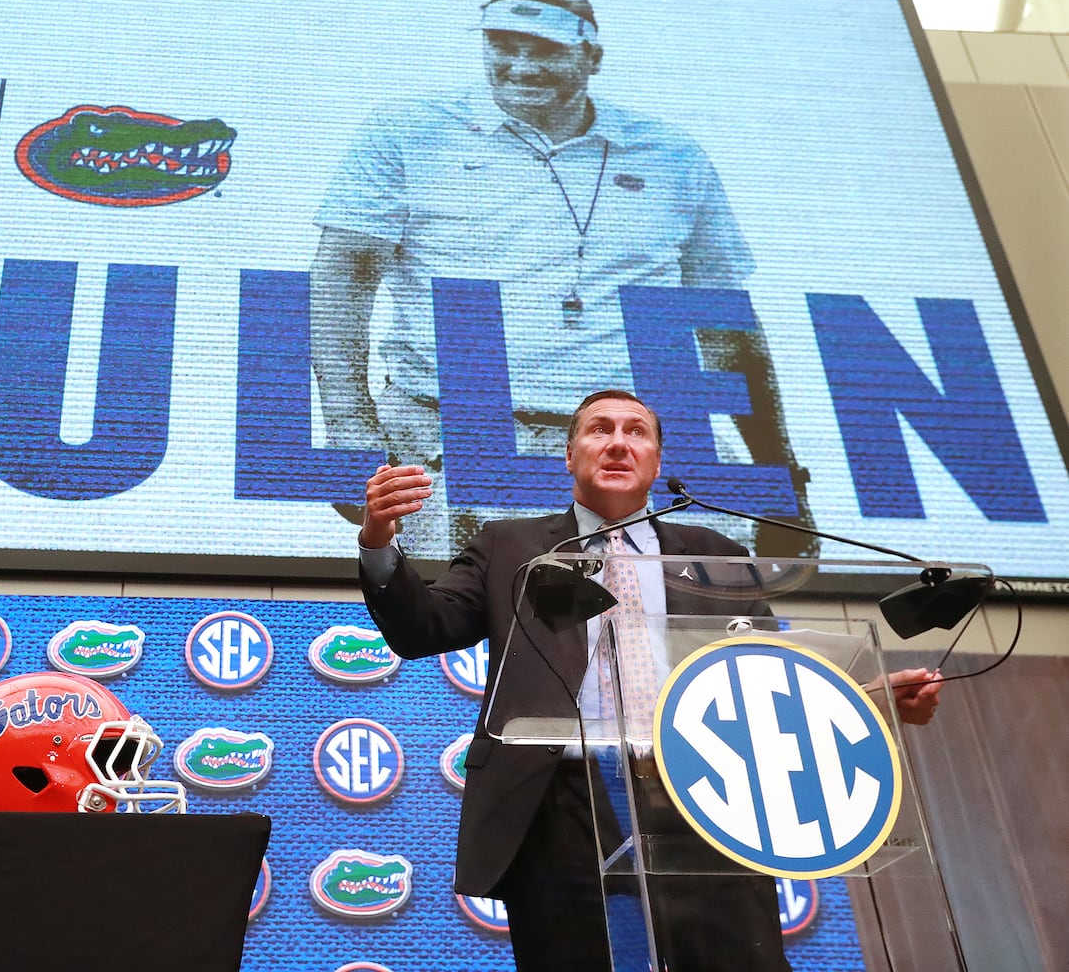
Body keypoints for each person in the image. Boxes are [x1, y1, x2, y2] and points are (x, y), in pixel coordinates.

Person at [357, 389, 943, 971]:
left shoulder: (717, 558)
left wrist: (868, 705)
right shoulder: (509, 547)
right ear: (569, 456)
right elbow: (423, 628)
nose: (617, 442)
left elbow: (764, 683)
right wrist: (379, 542)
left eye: (635, 431)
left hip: (710, 792)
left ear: (657, 463)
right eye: (598, 429)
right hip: (561, 803)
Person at [314, 0, 813, 558]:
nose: (521, 67)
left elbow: (723, 323)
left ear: (591, 57)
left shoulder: (673, 156)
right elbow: (342, 277)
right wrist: (349, 429)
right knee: (448, 634)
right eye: (503, 46)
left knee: (655, 636)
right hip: (447, 440)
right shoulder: (406, 132)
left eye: (545, 50)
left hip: (622, 450)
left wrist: (779, 474)